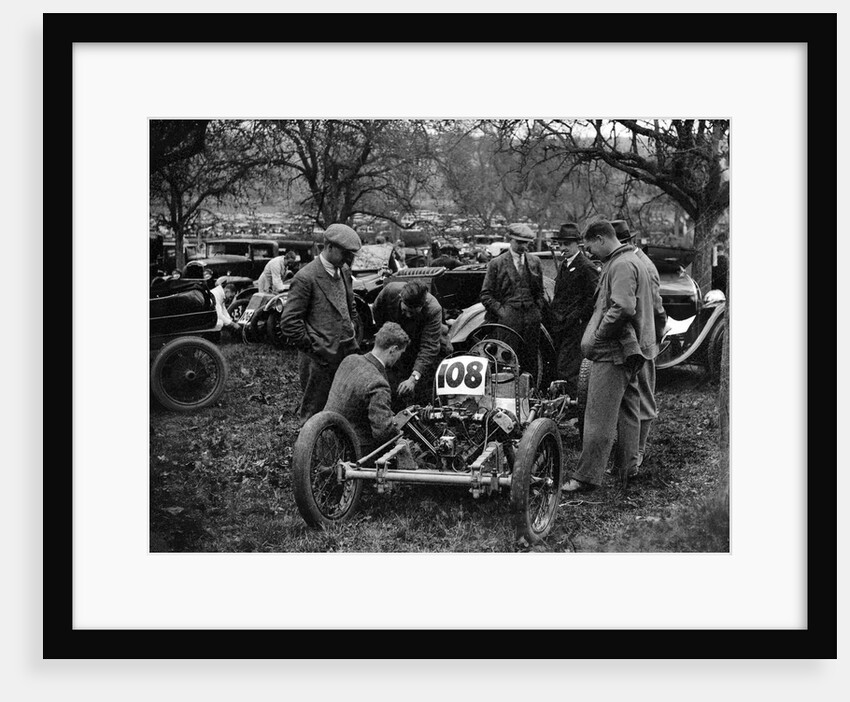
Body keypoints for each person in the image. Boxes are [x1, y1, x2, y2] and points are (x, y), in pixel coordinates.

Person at [562, 220, 661, 492]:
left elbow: (623, 308)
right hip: (630, 350)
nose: (590, 253)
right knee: (629, 409)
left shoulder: (620, 265)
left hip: (614, 351)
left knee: (597, 416)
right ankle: (627, 469)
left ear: (601, 239)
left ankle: (586, 477)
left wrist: (598, 336)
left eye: (590, 246)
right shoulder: (631, 260)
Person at [280, 223, 362, 424]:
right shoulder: (306, 277)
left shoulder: (344, 272)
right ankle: (309, 452)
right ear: (329, 247)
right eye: (346, 253)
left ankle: (338, 448)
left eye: (352, 255)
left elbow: (349, 304)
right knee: (314, 412)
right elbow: (289, 322)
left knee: (345, 405)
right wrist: (314, 348)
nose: (349, 259)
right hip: (319, 358)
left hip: (346, 351)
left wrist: (352, 327)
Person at [609, 219, 667, 472]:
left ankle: (638, 451)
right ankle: (627, 453)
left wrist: (652, 340)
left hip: (641, 342)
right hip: (628, 341)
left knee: (643, 397)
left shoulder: (642, 265)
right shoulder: (628, 261)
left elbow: (656, 308)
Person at [323, 322, 410, 453]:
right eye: (401, 353)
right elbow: (382, 434)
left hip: (325, 439)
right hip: (351, 449)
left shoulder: (350, 360)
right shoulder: (378, 384)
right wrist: (400, 435)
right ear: (393, 349)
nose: (399, 358)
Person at [479, 223, 546, 381]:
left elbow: (540, 292)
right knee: (506, 361)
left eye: (526, 243)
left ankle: (531, 397)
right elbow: (486, 294)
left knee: (530, 361)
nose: (523, 246)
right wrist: (502, 312)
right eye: (519, 242)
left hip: (531, 319)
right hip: (508, 320)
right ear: (510, 240)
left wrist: (536, 310)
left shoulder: (535, 262)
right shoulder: (497, 263)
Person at [372, 279, 446, 410]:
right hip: (397, 342)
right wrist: (386, 334)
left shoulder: (434, 310)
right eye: (405, 310)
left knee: (423, 392)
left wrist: (413, 378)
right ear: (400, 298)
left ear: (422, 306)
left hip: (420, 346)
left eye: (413, 313)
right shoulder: (390, 292)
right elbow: (377, 310)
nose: (408, 315)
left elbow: (429, 348)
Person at [548, 222, 600, 397]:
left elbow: (594, 298)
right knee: (562, 365)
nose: (563, 248)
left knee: (569, 368)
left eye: (567, 244)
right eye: (560, 244)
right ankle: (565, 401)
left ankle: (573, 406)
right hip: (561, 325)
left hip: (576, 327)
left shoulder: (586, 266)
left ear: (577, 244)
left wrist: (577, 317)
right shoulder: (565, 265)